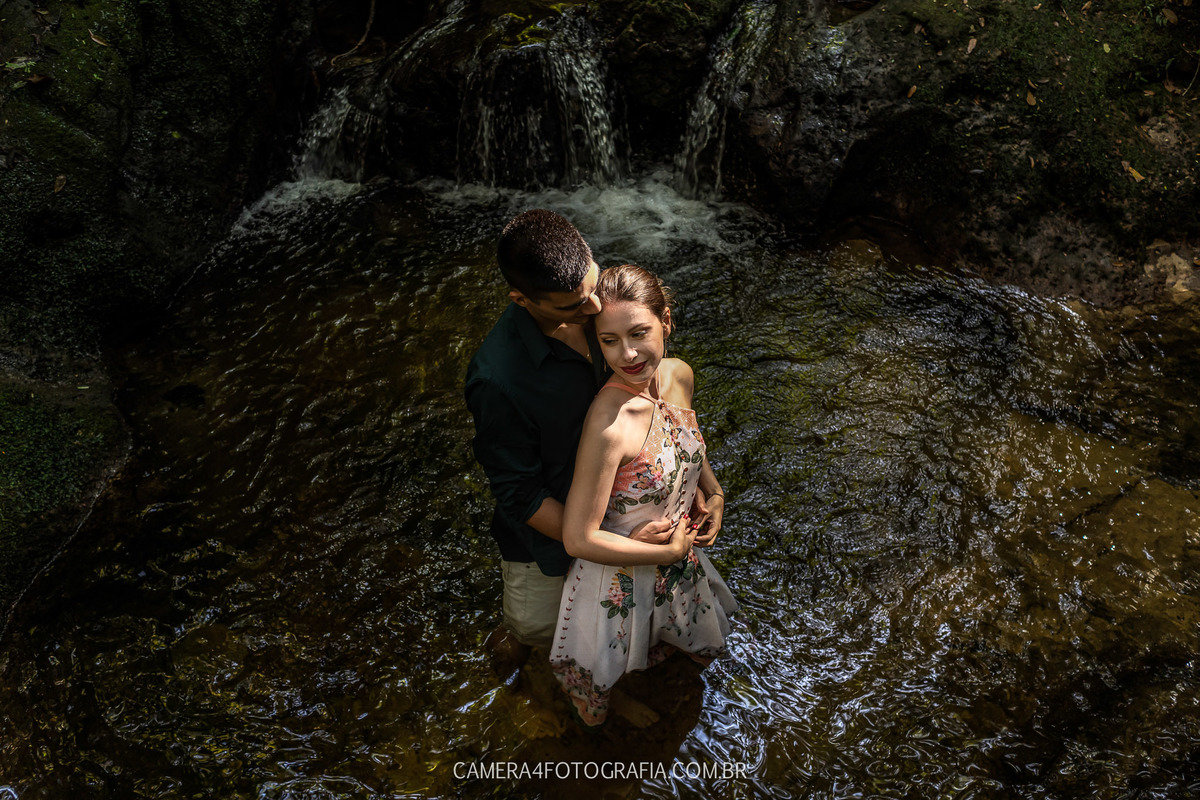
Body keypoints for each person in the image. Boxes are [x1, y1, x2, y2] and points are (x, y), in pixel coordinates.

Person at [465, 211, 706, 669]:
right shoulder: (497, 380)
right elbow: (520, 492)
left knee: (618, 628)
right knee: (539, 629)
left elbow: (657, 386)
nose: (594, 309)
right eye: (574, 308)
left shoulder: (596, 296)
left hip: (628, 513)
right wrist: (611, 542)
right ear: (521, 300)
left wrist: (697, 487)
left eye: (592, 288)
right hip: (552, 539)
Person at [550, 264, 736, 727]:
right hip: (619, 577)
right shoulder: (609, 423)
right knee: (597, 697)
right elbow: (578, 538)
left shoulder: (678, 376)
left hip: (678, 560)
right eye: (609, 341)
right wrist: (669, 551)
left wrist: (713, 493)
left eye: (639, 333)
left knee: (689, 655)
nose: (628, 354)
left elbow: (683, 438)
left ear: (666, 321)